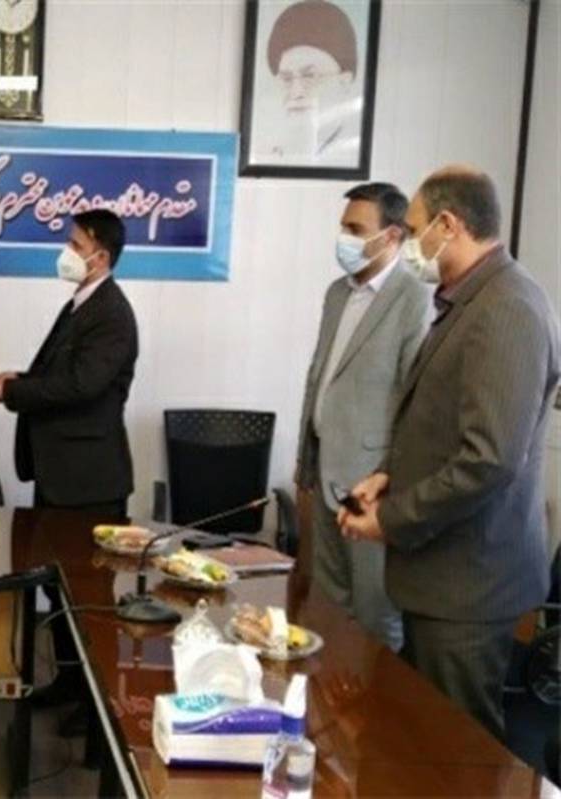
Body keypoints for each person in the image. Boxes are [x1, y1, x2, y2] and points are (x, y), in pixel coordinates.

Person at [339, 166, 561, 740]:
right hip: (438, 576)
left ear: (449, 224)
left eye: (414, 231)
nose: (411, 245)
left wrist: (391, 519)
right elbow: (440, 426)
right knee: (419, 737)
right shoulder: (466, 299)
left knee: (455, 749)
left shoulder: (508, 308)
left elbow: (489, 459)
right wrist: (389, 476)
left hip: (469, 586)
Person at [0, 208, 138, 720]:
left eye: (76, 245)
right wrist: (19, 379)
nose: (66, 252)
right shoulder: (81, 304)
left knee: (89, 598)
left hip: (89, 480)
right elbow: (58, 373)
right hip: (61, 474)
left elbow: (80, 385)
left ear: (101, 256)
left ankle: (98, 714)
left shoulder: (112, 314)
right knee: (62, 590)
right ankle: (71, 684)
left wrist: (16, 393)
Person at [291, 182, 430, 651]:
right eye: (343, 226)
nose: (344, 238)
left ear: (391, 236)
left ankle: (376, 697)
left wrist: (390, 476)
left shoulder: (413, 299)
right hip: (326, 469)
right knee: (328, 605)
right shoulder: (338, 293)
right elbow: (320, 375)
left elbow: (414, 401)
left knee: (373, 611)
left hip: (371, 483)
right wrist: (305, 461)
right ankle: (331, 692)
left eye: (355, 229)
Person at [264, 0, 361, 164]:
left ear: (345, 81)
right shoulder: (267, 156)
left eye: (309, 76)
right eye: (287, 79)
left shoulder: (352, 153)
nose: (296, 93)